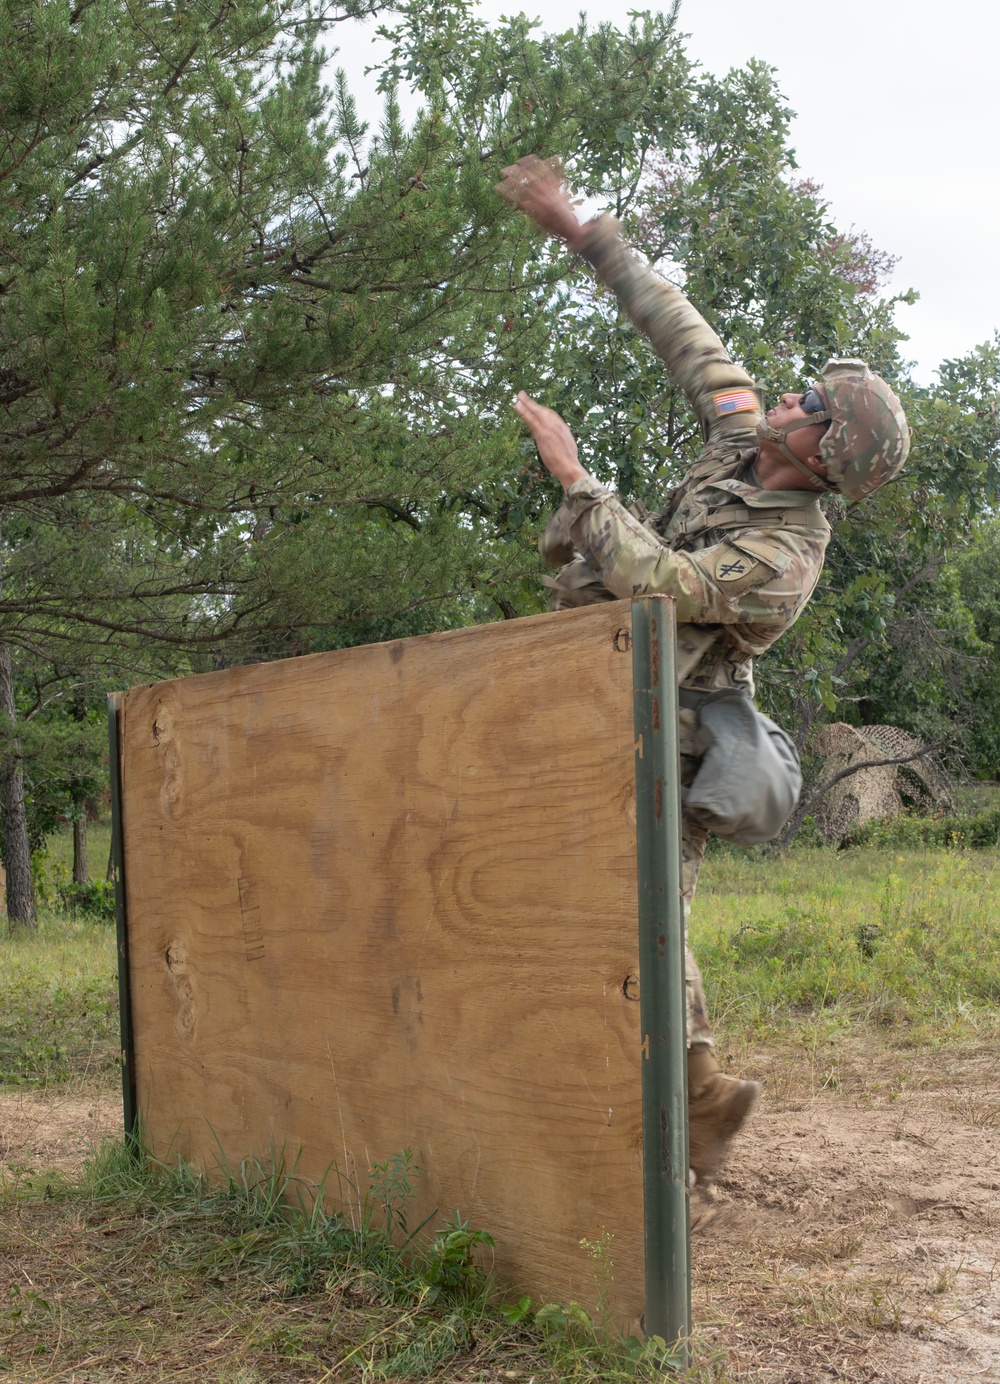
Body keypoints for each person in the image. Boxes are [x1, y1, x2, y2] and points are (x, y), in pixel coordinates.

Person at [497, 155, 909, 1196]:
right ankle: (677, 1098)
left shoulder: (786, 558)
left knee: (645, 920)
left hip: (668, 736)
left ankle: (678, 1142)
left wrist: (576, 478)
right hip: (590, 694)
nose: (787, 394)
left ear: (822, 455)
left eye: (810, 400)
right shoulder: (740, 434)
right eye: (803, 388)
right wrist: (581, 231)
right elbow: (679, 328)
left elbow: (665, 587)